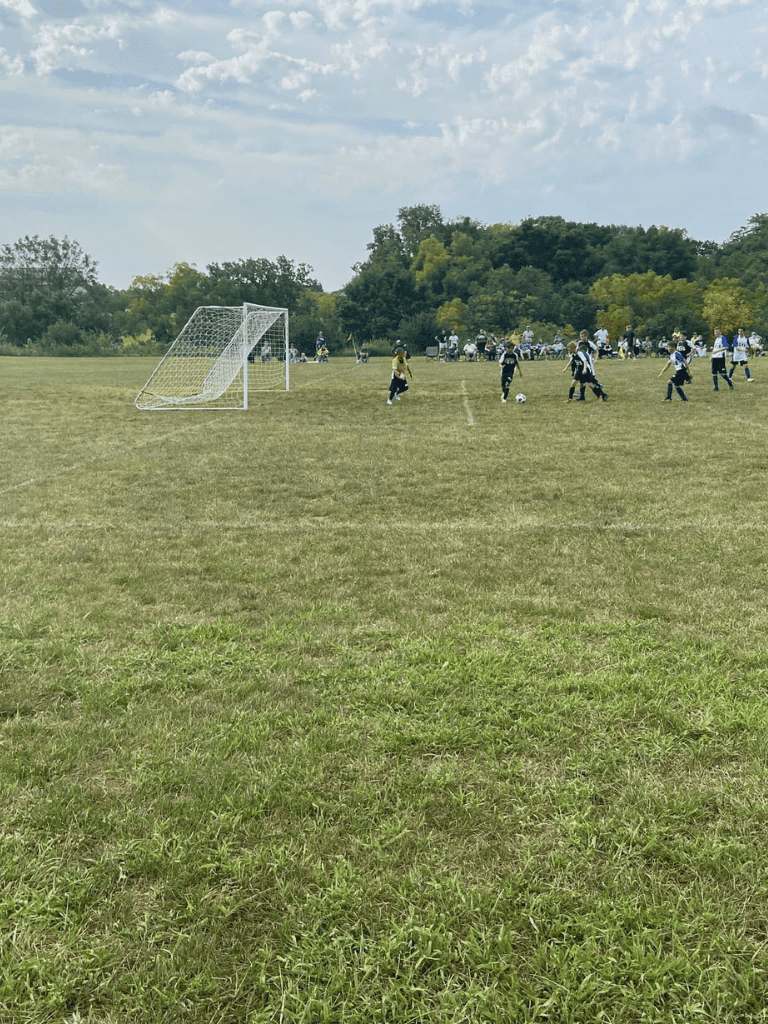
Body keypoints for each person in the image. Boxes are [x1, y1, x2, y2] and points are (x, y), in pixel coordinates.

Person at [566, 334, 608, 402]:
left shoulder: (579, 352)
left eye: (569, 348)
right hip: (579, 370)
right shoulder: (573, 353)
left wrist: (585, 369)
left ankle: (601, 395)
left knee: (590, 384)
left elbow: (585, 360)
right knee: (575, 383)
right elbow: (572, 361)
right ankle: (571, 399)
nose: (568, 349)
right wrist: (568, 369)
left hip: (586, 369)